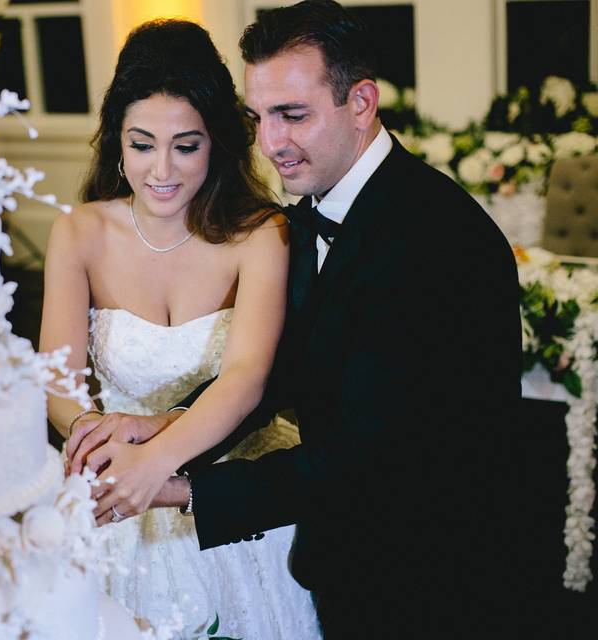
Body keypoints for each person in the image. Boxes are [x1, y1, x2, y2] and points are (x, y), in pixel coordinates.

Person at [84, 2, 529, 638]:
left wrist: (177, 488)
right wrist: (164, 425)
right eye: (258, 117)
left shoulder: (437, 242)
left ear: (362, 102)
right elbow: (290, 369)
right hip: (345, 562)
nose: (271, 143)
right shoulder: (311, 215)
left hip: (430, 580)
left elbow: (369, 459)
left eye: (293, 115)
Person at [39, 19, 321, 639]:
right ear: (117, 141)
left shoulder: (261, 232)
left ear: (217, 143)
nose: (161, 169)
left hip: (229, 485)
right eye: (142, 145)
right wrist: (96, 440)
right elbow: (58, 382)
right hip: (110, 485)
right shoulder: (80, 232)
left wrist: (159, 462)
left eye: (185, 146)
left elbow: (246, 377)